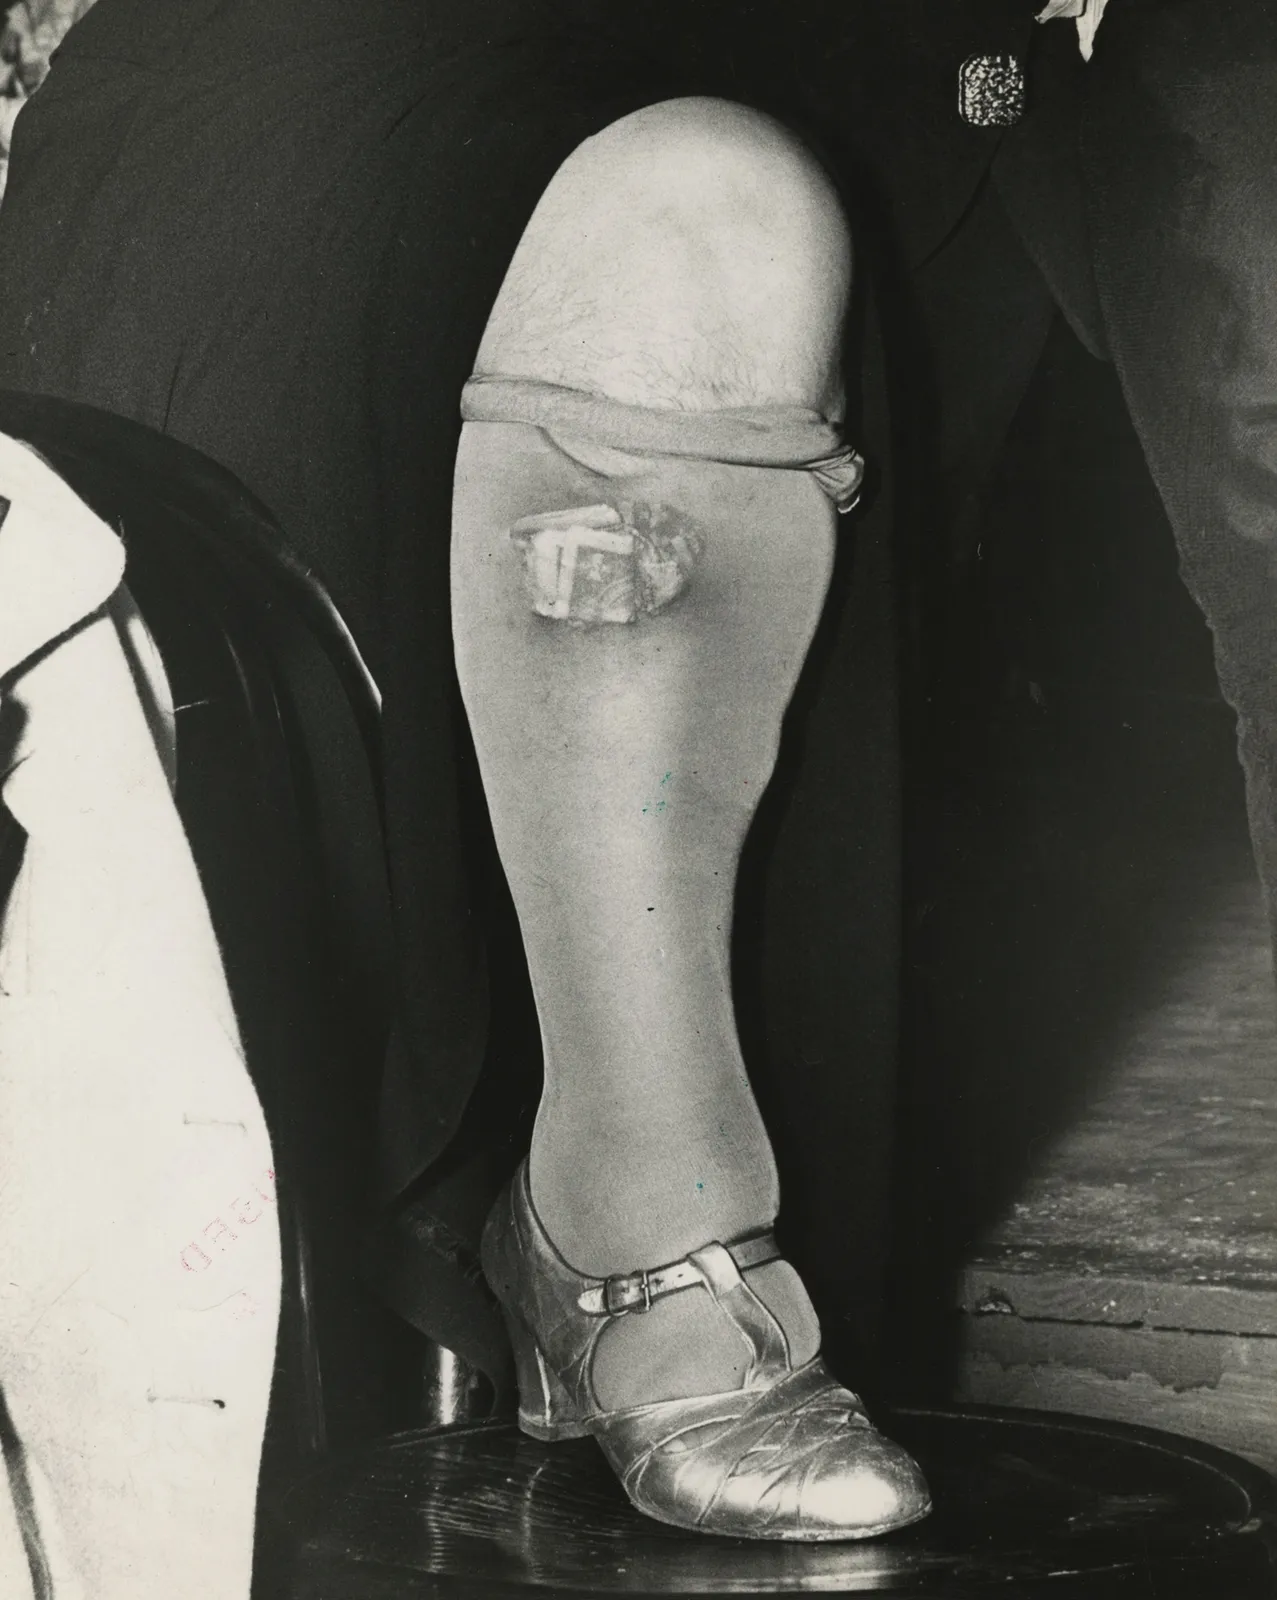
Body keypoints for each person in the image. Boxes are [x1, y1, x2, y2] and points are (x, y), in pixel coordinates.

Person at [0, 0, 1272, 1552]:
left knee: (738, 218)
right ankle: (635, 1224)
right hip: (365, 79)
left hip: (888, 91)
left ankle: (630, 1206)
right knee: (696, 218)